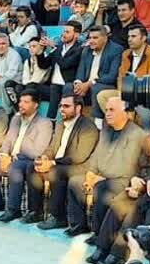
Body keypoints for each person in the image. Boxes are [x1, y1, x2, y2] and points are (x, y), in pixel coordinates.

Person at [88, 109, 150, 264]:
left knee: (135, 207)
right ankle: (102, 247)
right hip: (144, 185)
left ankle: (118, 253)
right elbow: (136, 165)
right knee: (121, 202)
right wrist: (136, 179)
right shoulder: (148, 141)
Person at [66, 97, 147, 237]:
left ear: (125, 113)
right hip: (103, 177)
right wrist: (91, 173)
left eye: (112, 110)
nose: (107, 113)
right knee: (74, 182)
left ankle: (98, 234)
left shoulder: (136, 134)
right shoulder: (106, 130)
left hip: (123, 180)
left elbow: (126, 168)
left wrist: (100, 178)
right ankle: (78, 224)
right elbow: (96, 155)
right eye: (106, 110)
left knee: (102, 188)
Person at [0, 86, 53, 221]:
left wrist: (18, 153)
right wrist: (4, 155)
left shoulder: (44, 123)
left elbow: (39, 151)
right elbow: (7, 140)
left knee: (15, 167)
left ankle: (13, 209)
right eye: (20, 101)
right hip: (13, 157)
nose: (21, 105)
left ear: (35, 105)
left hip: (28, 160)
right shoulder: (16, 119)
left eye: (25, 102)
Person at [33, 95, 100, 230]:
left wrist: (52, 163)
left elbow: (79, 156)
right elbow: (52, 147)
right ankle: (35, 212)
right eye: (60, 106)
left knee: (55, 172)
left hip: (80, 166)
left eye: (66, 106)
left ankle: (58, 217)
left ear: (78, 108)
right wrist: (45, 157)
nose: (61, 109)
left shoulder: (88, 127)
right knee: (32, 167)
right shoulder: (60, 123)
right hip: (60, 163)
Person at [74, 26, 123, 118]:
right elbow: (81, 70)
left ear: (105, 38)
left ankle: (98, 122)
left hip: (104, 84)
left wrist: (89, 83)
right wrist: (78, 83)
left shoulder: (116, 49)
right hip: (86, 85)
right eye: (90, 37)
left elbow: (112, 76)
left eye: (95, 38)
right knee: (68, 87)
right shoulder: (87, 49)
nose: (91, 41)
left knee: (96, 88)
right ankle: (72, 121)